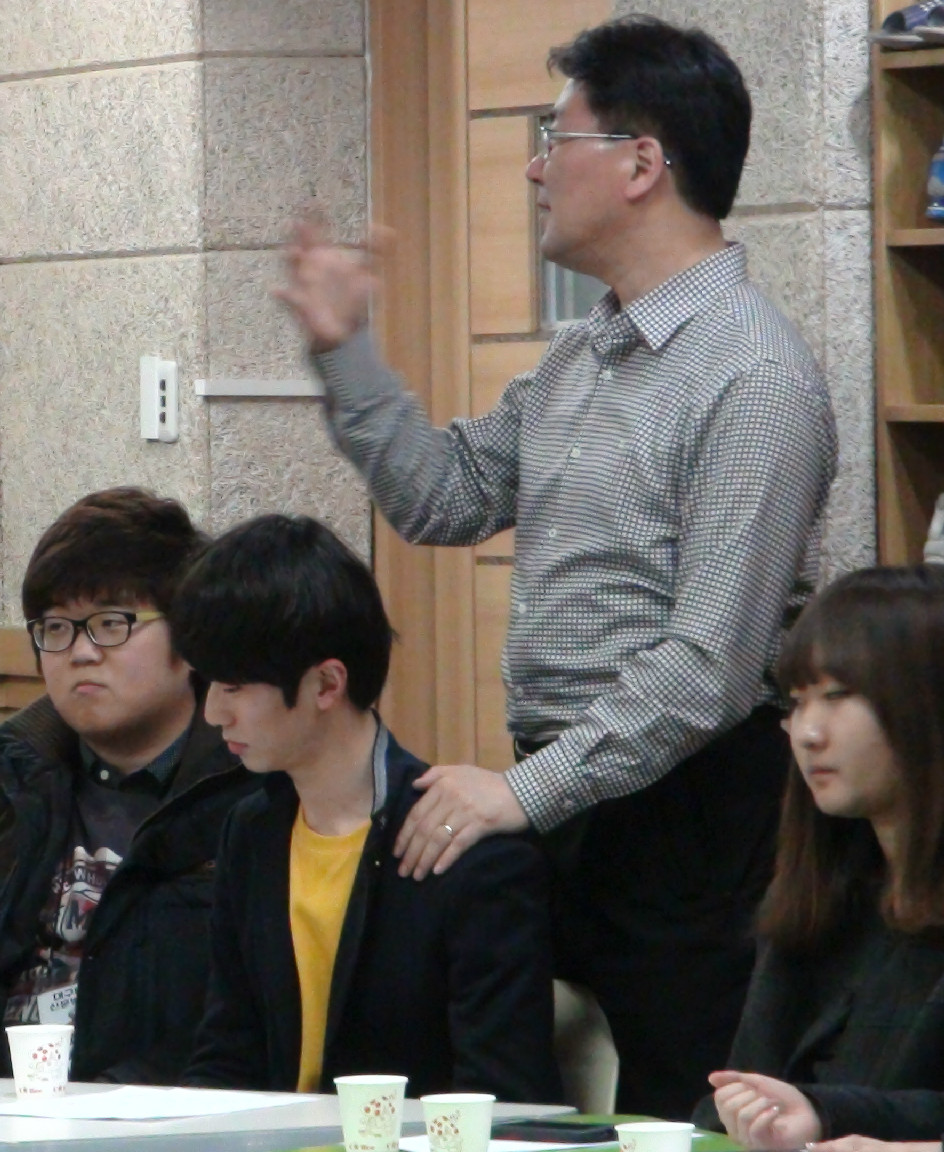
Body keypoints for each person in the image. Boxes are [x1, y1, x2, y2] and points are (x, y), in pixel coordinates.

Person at [274, 14, 838, 1118]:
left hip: (690, 814)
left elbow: (708, 668)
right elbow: (442, 495)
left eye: (555, 138)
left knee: (678, 1114)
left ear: (640, 164)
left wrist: (518, 794)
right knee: (526, 1108)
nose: (535, 169)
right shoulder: (586, 351)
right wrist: (345, 349)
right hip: (565, 789)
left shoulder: (753, 375)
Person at [0, 488, 265, 1084]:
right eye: (56, 627)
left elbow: (242, 1018)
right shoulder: (5, 783)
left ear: (189, 640)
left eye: (110, 624)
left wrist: (107, 1116)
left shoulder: (244, 794)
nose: (80, 652)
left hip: (159, 1116)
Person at [175, 515, 559, 1101]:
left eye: (233, 687)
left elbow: (503, 1100)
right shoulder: (251, 830)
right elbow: (227, 1054)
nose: (212, 713)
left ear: (327, 685)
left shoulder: (467, 851)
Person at [692, 567, 944, 1148]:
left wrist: (827, 1111)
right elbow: (743, 1088)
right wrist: (754, 1110)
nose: (807, 733)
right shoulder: (821, 895)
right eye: (797, 702)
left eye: (837, 697)